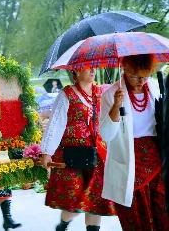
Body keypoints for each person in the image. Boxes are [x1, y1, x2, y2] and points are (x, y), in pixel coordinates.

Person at [41, 68, 116, 231]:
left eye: (93, 67)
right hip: (71, 154)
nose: (92, 70)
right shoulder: (66, 94)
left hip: (96, 152)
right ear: (76, 72)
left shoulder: (100, 93)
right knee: (72, 199)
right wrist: (47, 152)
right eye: (87, 68)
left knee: (95, 198)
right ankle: (63, 226)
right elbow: (56, 123)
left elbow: (108, 120)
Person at [100, 54, 169, 230]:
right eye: (135, 77)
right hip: (128, 161)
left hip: (156, 159)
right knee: (136, 218)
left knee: (162, 214)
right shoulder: (111, 94)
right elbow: (106, 134)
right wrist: (116, 106)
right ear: (124, 69)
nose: (141, 82)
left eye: (145, 76)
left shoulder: (154, 87)